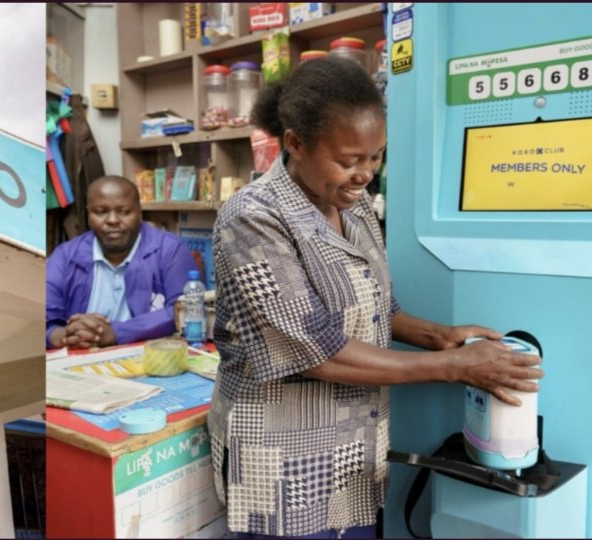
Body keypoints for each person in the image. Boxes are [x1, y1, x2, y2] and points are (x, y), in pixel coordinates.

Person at [207, 58, 544, 539]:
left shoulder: (354, 202)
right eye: (348, 160)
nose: (364, 174)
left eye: (375, 157)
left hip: (356, 453)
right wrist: (455, 368)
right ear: (296, 143)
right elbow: (315, 349)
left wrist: (440, 337)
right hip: (283, 462)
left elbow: (376, 306)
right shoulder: (253, 219)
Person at [46, 175, 198, 349]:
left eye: (124, 212)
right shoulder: (65, 256)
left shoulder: (170, 249)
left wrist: (117, 333)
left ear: (140, 212)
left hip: (148, 359)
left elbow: (185, 310)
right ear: (88, 213)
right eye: (101, 212)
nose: (112, 220)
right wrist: (66, 335)